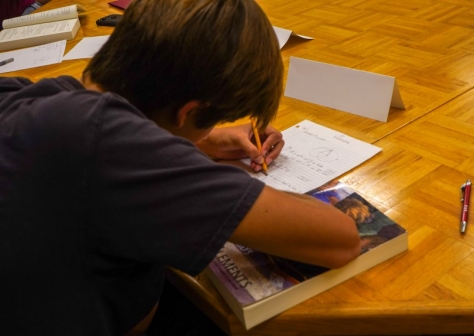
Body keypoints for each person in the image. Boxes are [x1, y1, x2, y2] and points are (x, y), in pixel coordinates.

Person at [0, 0, 361, 335]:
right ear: (188, 112)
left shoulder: (31, 99)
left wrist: (203, 138)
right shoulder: (114, 150)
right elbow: (339, 240)